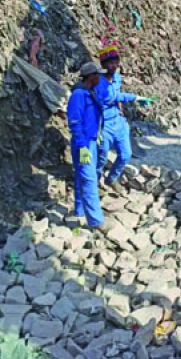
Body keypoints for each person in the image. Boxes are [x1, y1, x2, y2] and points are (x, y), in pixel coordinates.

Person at [67, 62, 106, 231]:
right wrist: (82, 146)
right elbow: (75, 122)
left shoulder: (90, 92)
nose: (100, 77)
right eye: (98, 75)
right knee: (89, 179)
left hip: (90, 140)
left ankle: (79, 210)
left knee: (81, 176)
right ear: (91, 77)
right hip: (83, 142)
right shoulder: (78, 95)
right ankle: (96, 221)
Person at [95, 44, 137, 193]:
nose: (114, 66)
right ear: (104, 65)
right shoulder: (98, 82)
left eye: (116, 63)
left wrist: (121, 112)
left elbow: (117, 97)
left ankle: (112, 179)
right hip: (104, 124)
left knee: (126, 154)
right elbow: (109, 98)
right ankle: (95, 184)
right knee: (101, 158)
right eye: (110, 63)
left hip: (118, 122)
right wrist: (134, 97)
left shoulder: (117, 78)